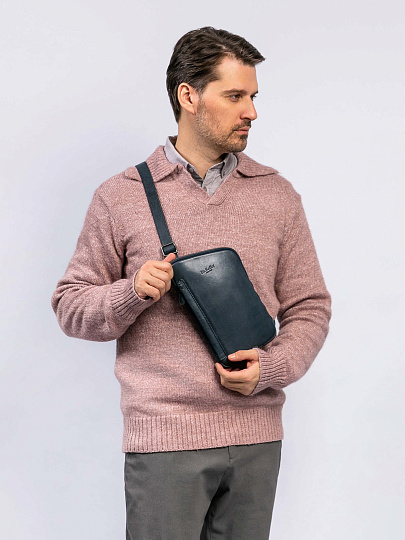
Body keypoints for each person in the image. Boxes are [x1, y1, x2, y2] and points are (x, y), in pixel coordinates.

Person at [52, 27, 331, 540]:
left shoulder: (276, 195)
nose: (251, 112)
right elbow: (70, 306)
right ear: (188, 95)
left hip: (257, 441)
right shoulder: (121, 195)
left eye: (253, 97)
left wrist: (272, 368)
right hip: (165, 442)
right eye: (235, 96)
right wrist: (131, 292)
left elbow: (310, 306)